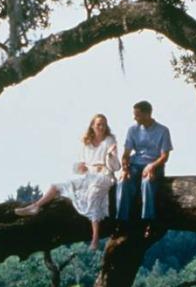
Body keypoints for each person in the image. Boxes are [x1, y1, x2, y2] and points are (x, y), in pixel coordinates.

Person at [15, 113, 120, 250]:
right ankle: (35, 206)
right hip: (89, 175)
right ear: (92, 126)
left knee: (93, 194)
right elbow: (80, 165)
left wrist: (110, 156)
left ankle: (95, 238)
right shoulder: (87, 142)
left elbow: (116, 167)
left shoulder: (109, 140)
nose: (101, 127)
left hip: (104, 176)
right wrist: (81, 167)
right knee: (57, 185)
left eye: (104, 124)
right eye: (98, 124)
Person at [115, 100, 173, 237]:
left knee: (147, 183)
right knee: (123, 182)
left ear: (147, 114)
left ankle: (148, 221)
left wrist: (152, 166)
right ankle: (121, 222)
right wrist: (125, 169)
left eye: (137, 115)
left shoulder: (163, 130)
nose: (135, 118)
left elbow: (165, 156)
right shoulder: (132, 130)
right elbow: (126, 154)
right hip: (135, 164)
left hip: (155, 164)